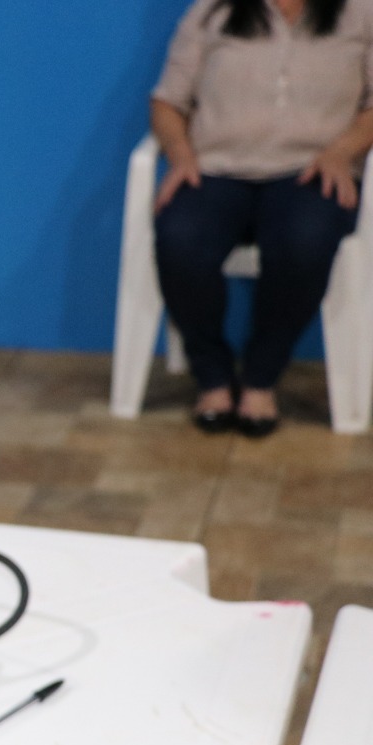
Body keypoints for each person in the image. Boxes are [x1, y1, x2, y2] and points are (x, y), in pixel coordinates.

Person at [151, 0, 373, 436]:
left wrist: (342, 150)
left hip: (312, 169)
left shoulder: (361, 13)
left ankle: (260, 378)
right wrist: (179, 153)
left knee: (304, 242)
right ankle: (212, 377)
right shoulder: (210, 12)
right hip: (218, 169)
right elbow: (167, 101)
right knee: (179, 238)